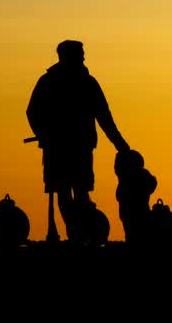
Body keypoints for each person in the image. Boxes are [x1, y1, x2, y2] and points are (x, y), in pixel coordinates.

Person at [27, 40, 130, 243]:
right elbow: (33, 112)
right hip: (62, 148)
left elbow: (104, 116)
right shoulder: (52, 82)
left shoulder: (85, 82)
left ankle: (79, 233)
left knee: (78, 192)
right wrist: (44, 134)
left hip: (77, 148)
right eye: (80, 53)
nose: (83, 57)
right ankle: (76, 234)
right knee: (66, 191)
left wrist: (120, 144)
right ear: (66, 56)